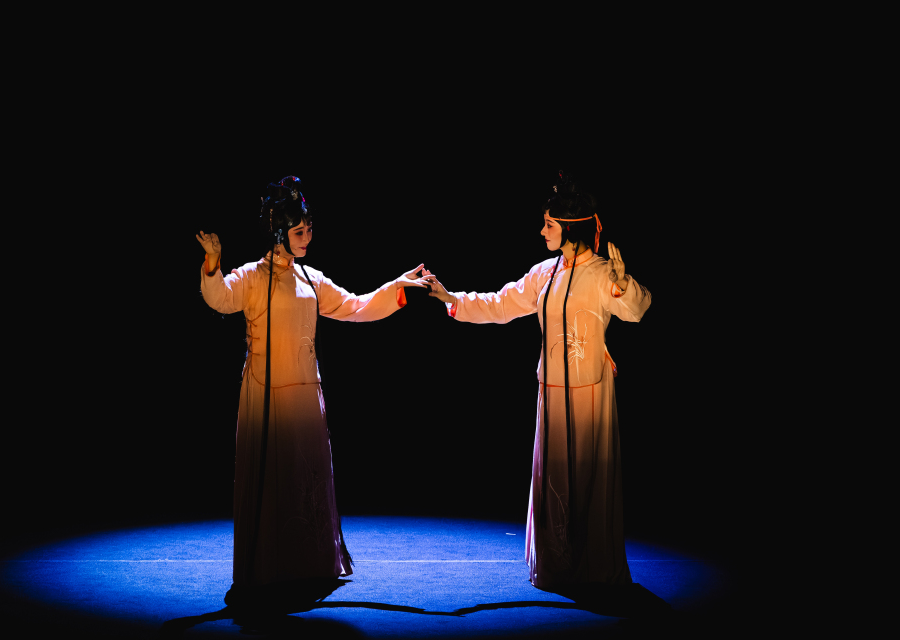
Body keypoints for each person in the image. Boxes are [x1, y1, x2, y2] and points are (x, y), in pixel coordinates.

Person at [196, 176, 430, 596]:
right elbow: (220, 298)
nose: (307, 238)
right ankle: (268, 566)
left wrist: (396, 286)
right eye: (300, 232)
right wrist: (213, 262)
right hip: (266, 392)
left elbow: (354, 306)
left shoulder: (311, 279)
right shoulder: (252, 277)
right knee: (273, 480)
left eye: (309, 230)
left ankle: (311, 562)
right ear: (279, 233)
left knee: (304, 478)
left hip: (305, 390)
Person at [421, 175, 651, 590]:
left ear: (570, 227)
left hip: (591, 392)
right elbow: (502, 303)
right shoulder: (545, 273)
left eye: (548, 224)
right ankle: (558, 565)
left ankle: (594, 569)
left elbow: (636, 310)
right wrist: (453, 299)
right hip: (552, 392)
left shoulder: (602, 273)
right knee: (555, 478)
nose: (542, 231)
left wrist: (622, 283)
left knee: (590, 477)